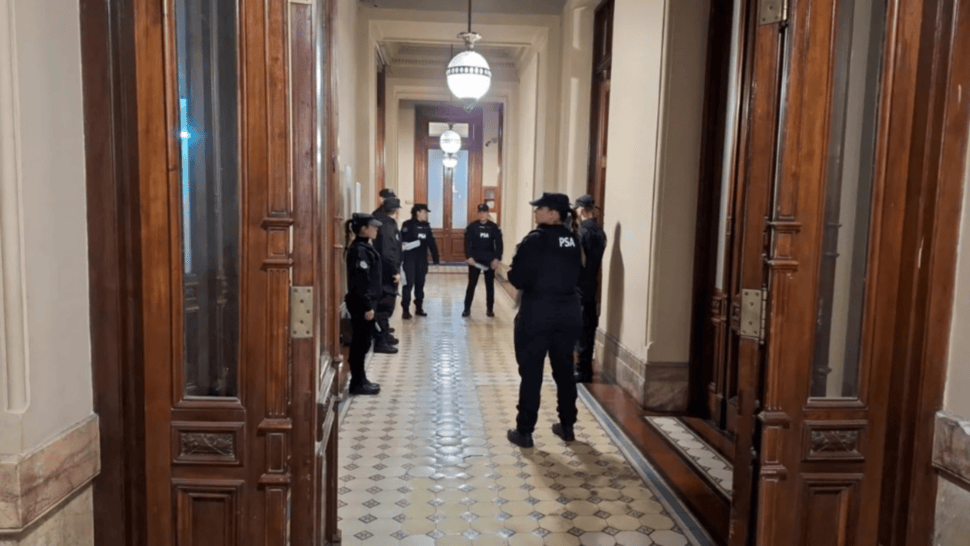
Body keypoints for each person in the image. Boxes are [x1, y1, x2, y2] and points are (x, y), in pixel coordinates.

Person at [506, 193, 583, 448]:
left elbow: (517, 278)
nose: (536, 212)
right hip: (569, 312)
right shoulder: (573, 239)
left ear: (553, 213)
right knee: (564, 372)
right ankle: (568, 426)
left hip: (538, 312)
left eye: (540, 208)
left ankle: (525, 431)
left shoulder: (535, 240)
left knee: (531, 373)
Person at [343, 213, 383, 395]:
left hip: (366, 302)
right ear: (363, 229)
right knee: (360, 343)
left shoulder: (365, 248)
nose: (376, 229)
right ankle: (357, 382)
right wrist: (368, 306)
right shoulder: (359, 251)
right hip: (361, 304)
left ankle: (361, 379)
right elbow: (361, 281)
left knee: (364, 342)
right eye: (372, 226)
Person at [573, 195, 607, 383]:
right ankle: (584, 368)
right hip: (592, 283)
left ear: (581, 210)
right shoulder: (600, 232)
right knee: (588, 327)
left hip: (579, 286)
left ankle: (582, 370)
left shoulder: (583, 233)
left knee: (581, 329)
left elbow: (577, 262)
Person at [372, 196, 402, 354]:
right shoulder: (387, 225)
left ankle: (383, 335)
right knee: (385, 306)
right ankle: (380, 341)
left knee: (384, 306)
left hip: (383, 269)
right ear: (396, 211)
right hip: (386, 271)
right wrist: (395, 272)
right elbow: (387, 252)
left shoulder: (381, 221)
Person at [463, 203, 503, 318]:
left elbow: (499, 244)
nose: (482, 215)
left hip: (489, 260)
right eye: (480, 212)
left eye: (484, 212)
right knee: (471, 284)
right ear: (477, 213)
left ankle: (490, 309)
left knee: (489, 285)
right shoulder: (472, 227)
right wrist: (468, 256)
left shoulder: (494, 227)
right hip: (475, 261)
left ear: (487, 213)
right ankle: (466, 309)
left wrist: (497, 258)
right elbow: (467, 244)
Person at [401, 204, 440, 319]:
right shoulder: (407, 225)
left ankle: (419, 307)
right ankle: (406, 309)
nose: (426, 215)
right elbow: (401, 241)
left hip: (422, 259)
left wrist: (436, 259)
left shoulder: (426, 226)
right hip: (409, 258)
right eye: (425, 212)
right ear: (418, 212)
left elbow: (431, 243)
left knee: (420, 284)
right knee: (408, 284)